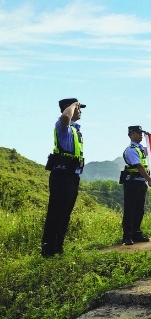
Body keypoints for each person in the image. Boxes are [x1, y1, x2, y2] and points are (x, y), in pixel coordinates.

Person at [42, 98, 86, 257]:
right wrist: (73, 105)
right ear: (70, 109)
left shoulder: (75, 130)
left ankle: (58, 247)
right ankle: (48, 249)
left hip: (72, 176)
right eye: (78, 108)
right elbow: (65, 118)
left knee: (65, 213)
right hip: (61, 176)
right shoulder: (62, 126)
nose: (80, 110)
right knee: (56, 212)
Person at [121, 125, 151, 245]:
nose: (140, 135)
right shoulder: (131, 150)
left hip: (141, 183)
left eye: (141, 133)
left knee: (139, 210)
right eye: (138, 133)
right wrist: (150, 180)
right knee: (130, 209)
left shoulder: (141, 148)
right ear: (131, 134)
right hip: (132, 183)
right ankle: (127, 236)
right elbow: (139, 166)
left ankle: (137, 233)